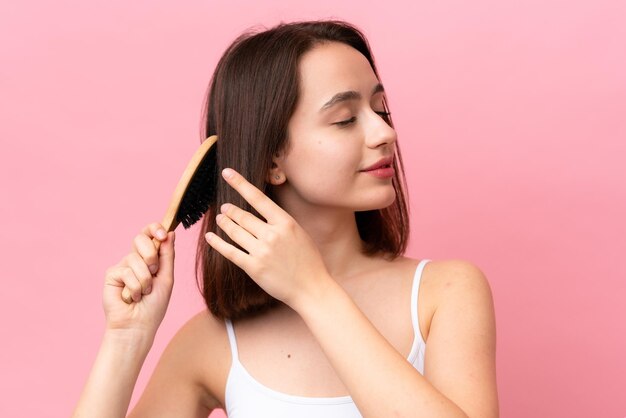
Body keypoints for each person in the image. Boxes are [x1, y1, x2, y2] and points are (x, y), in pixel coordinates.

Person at [72, 20, 499, 418]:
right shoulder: (210, 343)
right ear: (273, 159)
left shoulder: (445, 293)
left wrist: (313, 290)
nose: (384, 133)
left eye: (381, 109)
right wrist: (125, 340)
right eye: (346, 119)